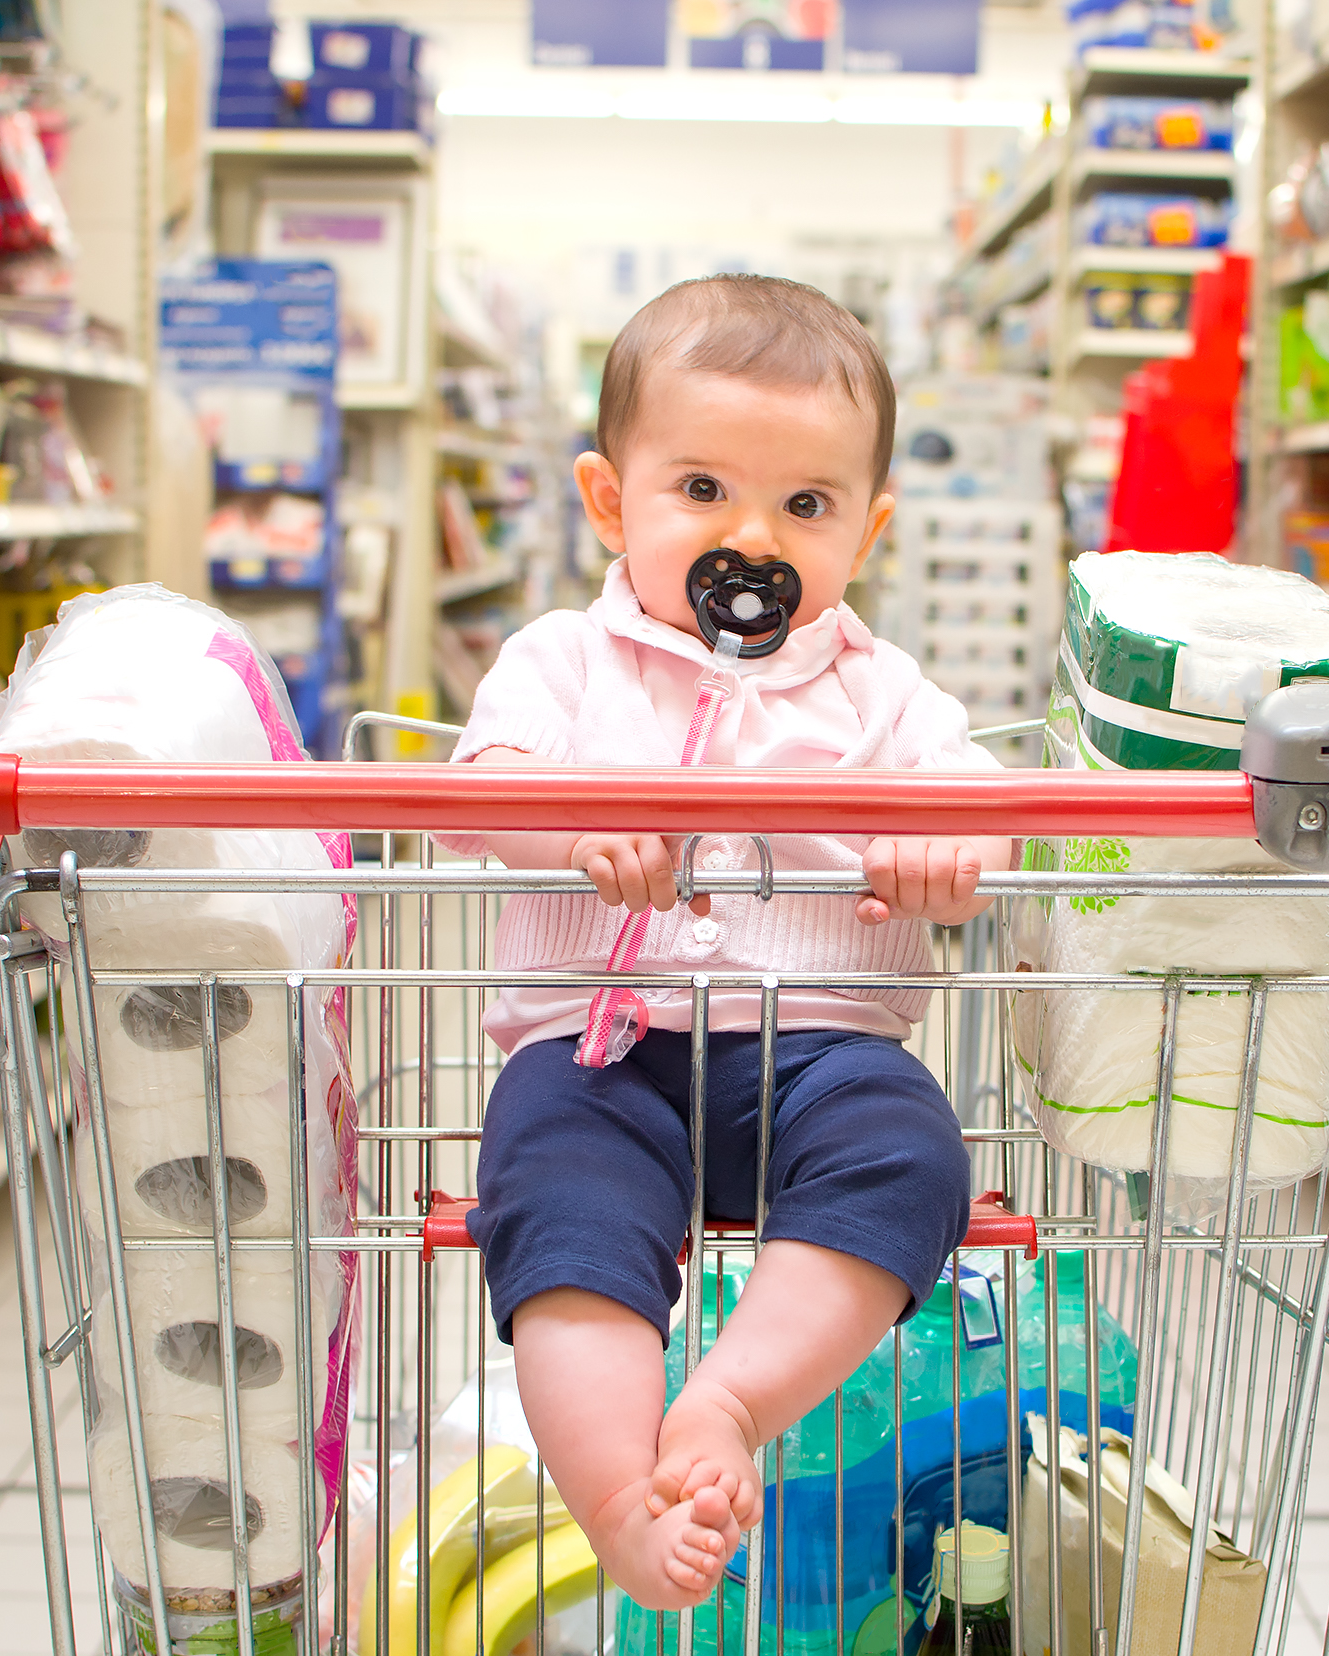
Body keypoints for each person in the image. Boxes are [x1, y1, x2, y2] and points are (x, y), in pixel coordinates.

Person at [442, 274, 1012, 1608]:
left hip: (824, 1048)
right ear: (608, 501)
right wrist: (575, 818)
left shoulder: (885, 692)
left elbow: (977, 804)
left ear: (865, 531)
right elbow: (490, 781)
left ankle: (729, 1406)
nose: (749, 536)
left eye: (804, 506)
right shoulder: (563, 660)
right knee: (558, 1215)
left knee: (913, 1158)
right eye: (700, 490)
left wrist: (944, 847)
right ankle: (620, 1504)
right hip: (603, 1046)